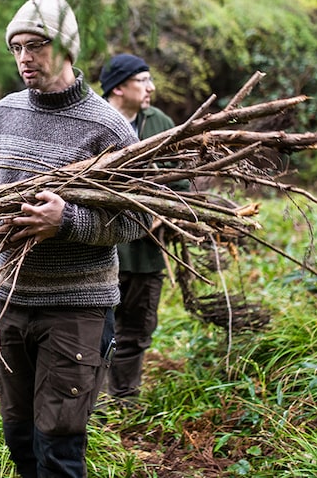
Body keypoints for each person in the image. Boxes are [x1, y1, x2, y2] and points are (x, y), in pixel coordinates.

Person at [0, 0, 150, 478]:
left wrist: (68, 221)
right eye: (15, 48)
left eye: (35, 45)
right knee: (18, 435)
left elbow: (137, 219)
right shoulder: (4, 113)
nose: (23, 58)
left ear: (65, 48)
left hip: (77, 308)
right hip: (14, 301)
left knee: (58, 445)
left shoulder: (109, 127)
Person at [99, 53, 189, 401]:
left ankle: (123, 400)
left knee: (136, 330)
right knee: (94, 331)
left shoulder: (160, 122)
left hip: (146, 253)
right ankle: (90, 405)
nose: (151, 87)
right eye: (143, 80)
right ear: (119, 87)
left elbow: (181, 180)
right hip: (99, 251)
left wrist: (169, 212)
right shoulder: (94, 119)